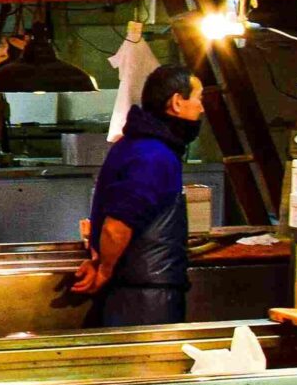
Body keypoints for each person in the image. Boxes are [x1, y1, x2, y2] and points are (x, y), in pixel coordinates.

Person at [72, 65, 206, 327]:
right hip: (145, 303)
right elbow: (115, 227)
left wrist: (99, 260)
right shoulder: (154, 156)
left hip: (134, 295)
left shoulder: (133, 146)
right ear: (177, 103)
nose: (201, 109)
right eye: (199, 99)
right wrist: (105, 271)